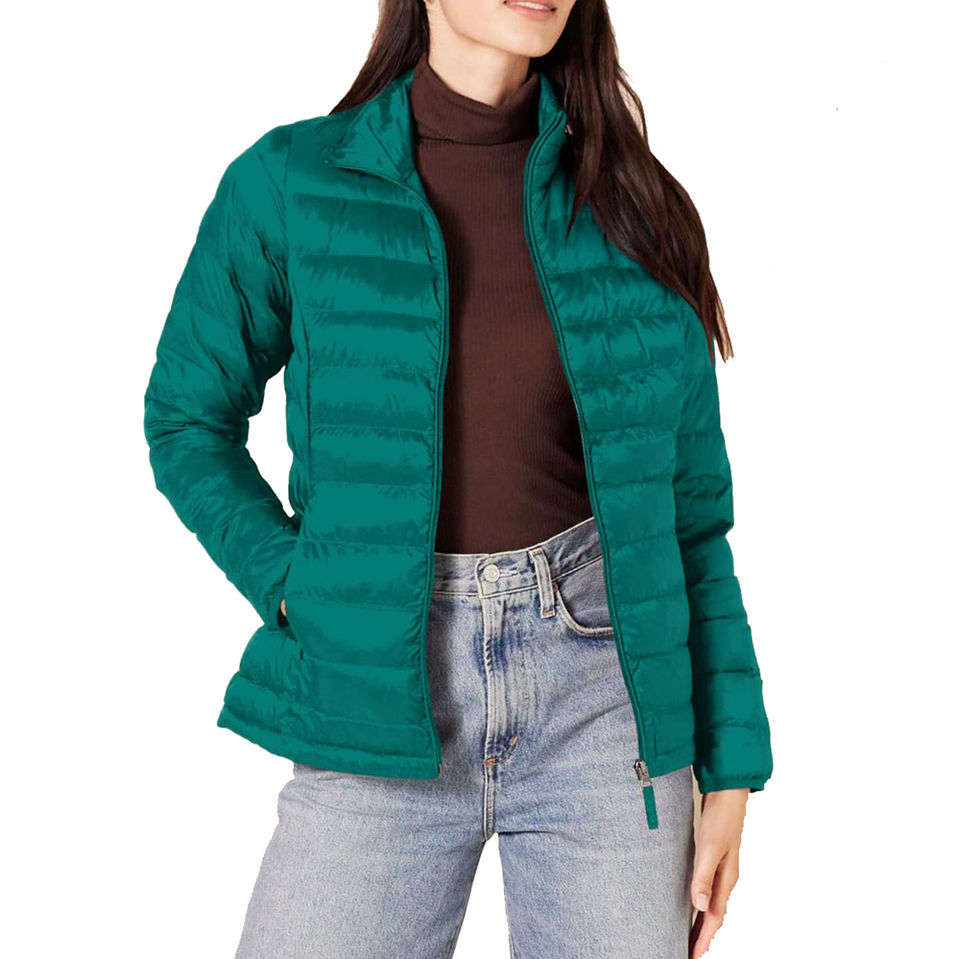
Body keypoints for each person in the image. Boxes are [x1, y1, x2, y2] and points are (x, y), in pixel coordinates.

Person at [143, 1, 773, 956]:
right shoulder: (292, 183)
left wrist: (730, 768)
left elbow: (689, 524)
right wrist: (294, 583)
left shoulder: (636, 206)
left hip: (605, 708)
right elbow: (187, 419)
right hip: (375, 698)